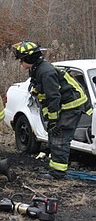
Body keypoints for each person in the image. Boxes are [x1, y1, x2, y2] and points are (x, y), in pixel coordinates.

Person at [13, 41, 92, 180]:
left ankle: (58, 173)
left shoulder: (45, 72)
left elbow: (53, 97)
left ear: (28, 58)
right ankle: (56, 168)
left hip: (71, 106)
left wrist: (53, 120)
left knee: (59, 137)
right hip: (65, 105)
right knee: (54, 135)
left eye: (21, 59)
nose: (20, 63)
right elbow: (43, 96)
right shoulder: (37, 69)